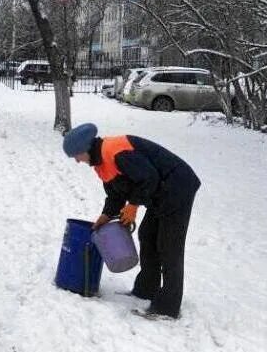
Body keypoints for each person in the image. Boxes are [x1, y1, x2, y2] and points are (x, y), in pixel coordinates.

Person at [62, 123, 201, 319]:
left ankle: (168, 308)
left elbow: (149, 178)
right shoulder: (100, 161)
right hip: (159, 192)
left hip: (177, 186)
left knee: (169, 245)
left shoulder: (115, 151)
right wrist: (106, 215)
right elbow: (115, 194)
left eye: (76, 155)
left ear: (85, 148)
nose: (77, 161)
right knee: (147, 235)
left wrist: (133, 205)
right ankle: (146, 289)